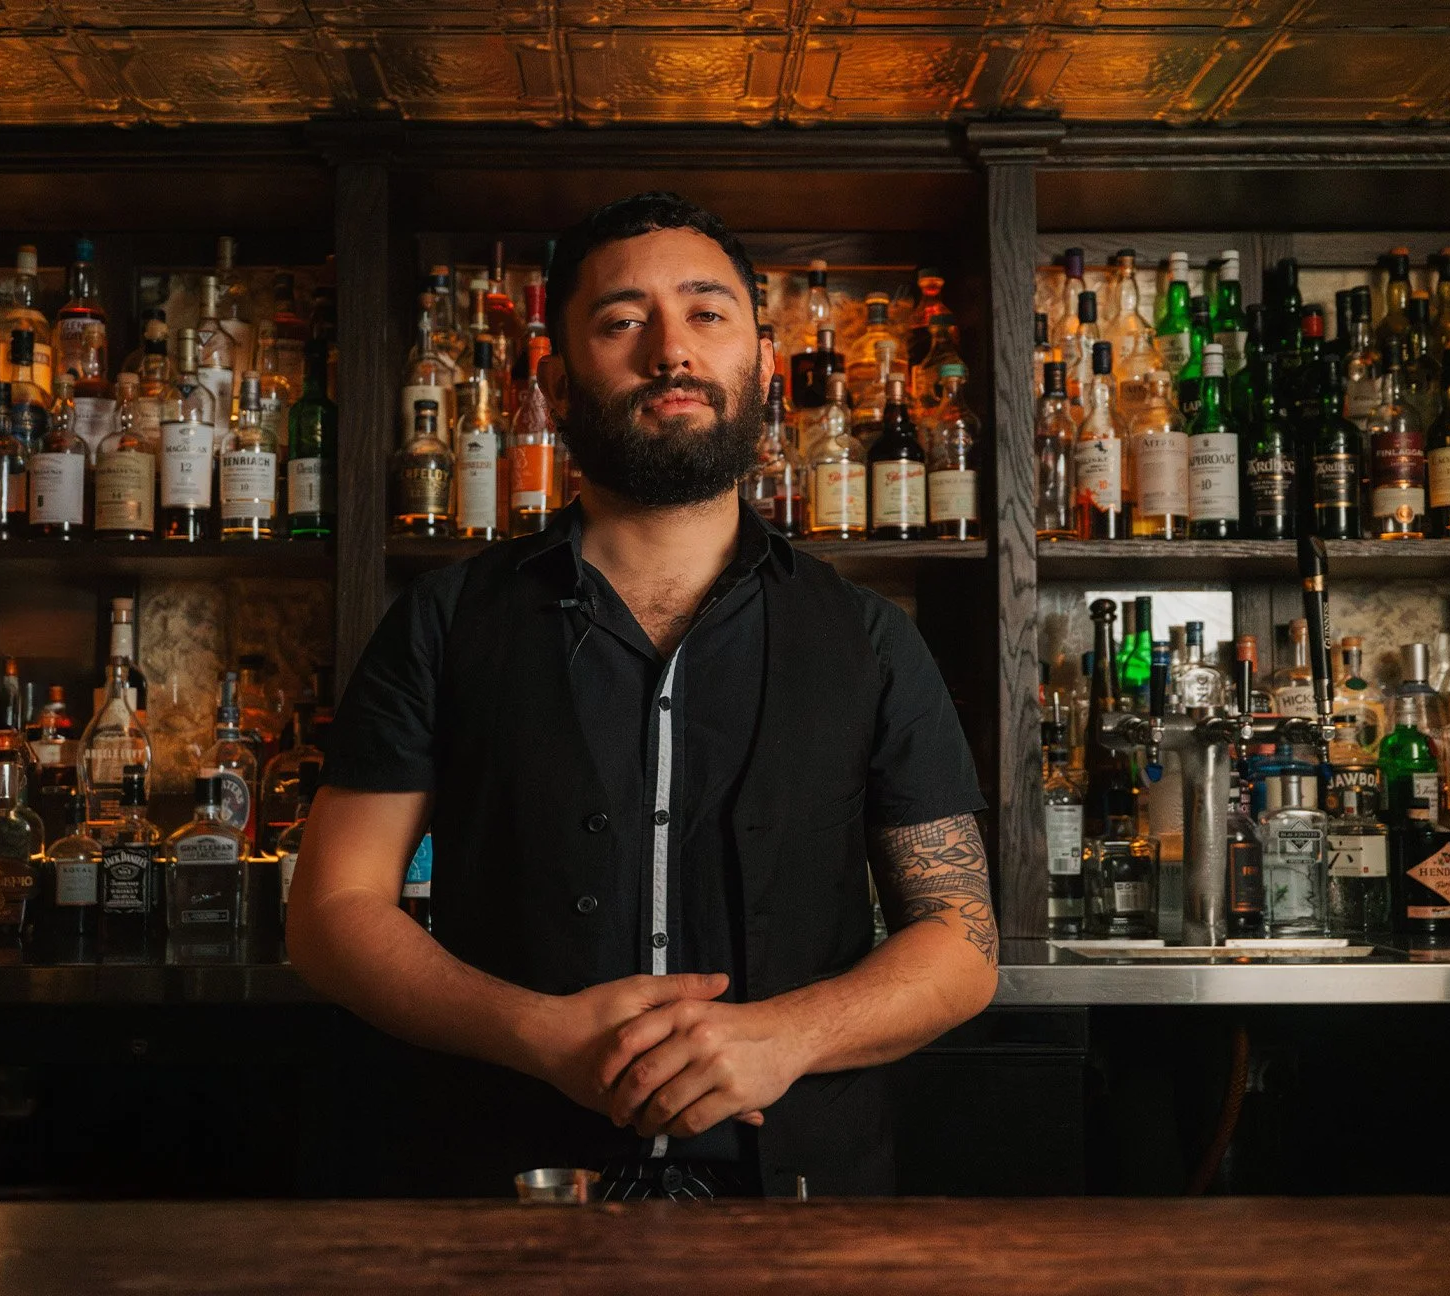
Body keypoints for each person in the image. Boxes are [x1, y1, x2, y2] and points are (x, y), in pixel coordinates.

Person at [287, 192, 996, 1199]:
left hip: (798, 1206)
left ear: (761, 362)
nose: (671, 350)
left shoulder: (871, 640)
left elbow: (962, 938)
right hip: (506, 1195)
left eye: (708, 314)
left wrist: (782, 1038)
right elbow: (331, 913)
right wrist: (543, 1034)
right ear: (556, 378)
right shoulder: (445, 624)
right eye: (622, 321)